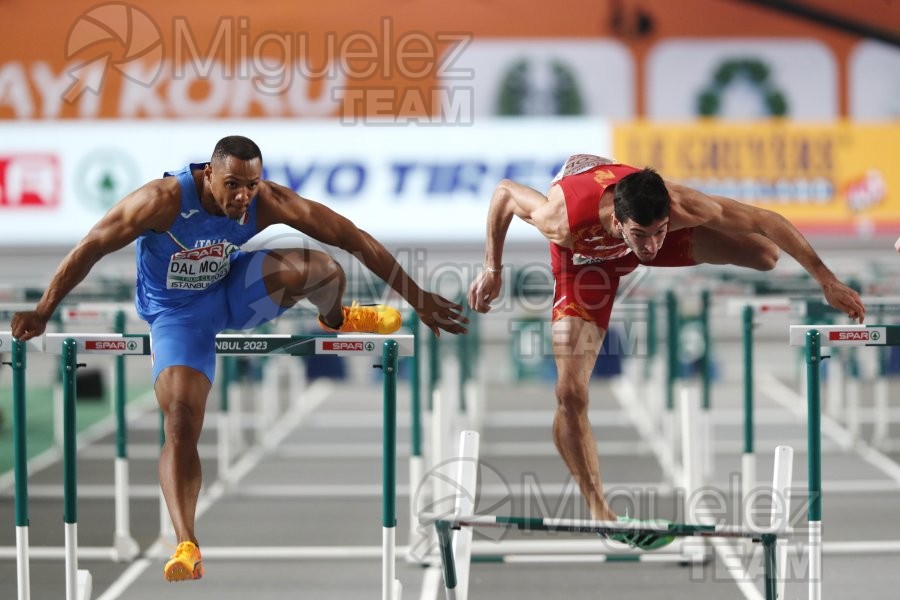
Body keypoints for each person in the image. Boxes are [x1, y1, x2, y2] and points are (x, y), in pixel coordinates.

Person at [11, 135, 468, 581]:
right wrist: (44, 309)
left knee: (324, 268)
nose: (243, 196)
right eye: (233, 185)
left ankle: (335, 318)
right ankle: (186, 544)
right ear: (208, 175)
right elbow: (92, 245)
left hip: (235, 291)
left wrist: (417, 295)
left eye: (251, 184)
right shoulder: (160, 201)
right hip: (178, 314)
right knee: (181, 420)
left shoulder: (265, 201)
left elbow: (353, 237)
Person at [467, 154, 866, 549]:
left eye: (659, 232)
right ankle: (601, 512)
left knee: (764, 254)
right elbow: (504, 194)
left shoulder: (680, 205)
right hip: (583, 263)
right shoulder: (561, 219)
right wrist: (492, 269)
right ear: (621, 222)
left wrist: (827, 281)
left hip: (630, 231)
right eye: (642, 234)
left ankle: (652, 234)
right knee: (571, 394)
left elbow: (766, 220)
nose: (652, 245)